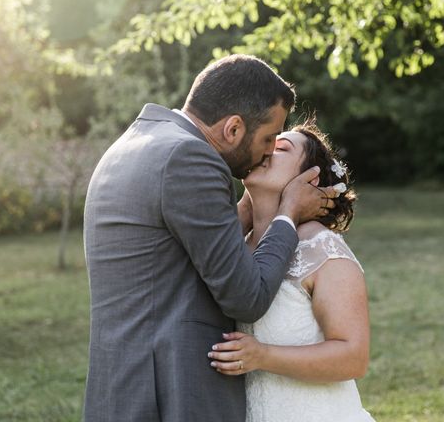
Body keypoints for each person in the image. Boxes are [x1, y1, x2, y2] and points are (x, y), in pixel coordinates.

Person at [83, 55, 338, 422]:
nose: (269, 150)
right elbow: (246, 298)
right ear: (233, 128)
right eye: (268, 138)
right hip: (171, 392)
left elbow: (179, 249)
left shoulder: (135, 143)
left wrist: (251, 209)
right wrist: (289, 214)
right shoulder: (191, 158)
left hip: (122, 386)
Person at [208, 122, 376, 422]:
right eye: (266, 140)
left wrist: (262, 356)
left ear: (309, 179)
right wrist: (249, 209)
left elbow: (353, 357)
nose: (266, 149)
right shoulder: (237, 247)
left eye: (281, 147)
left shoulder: (323, 250)